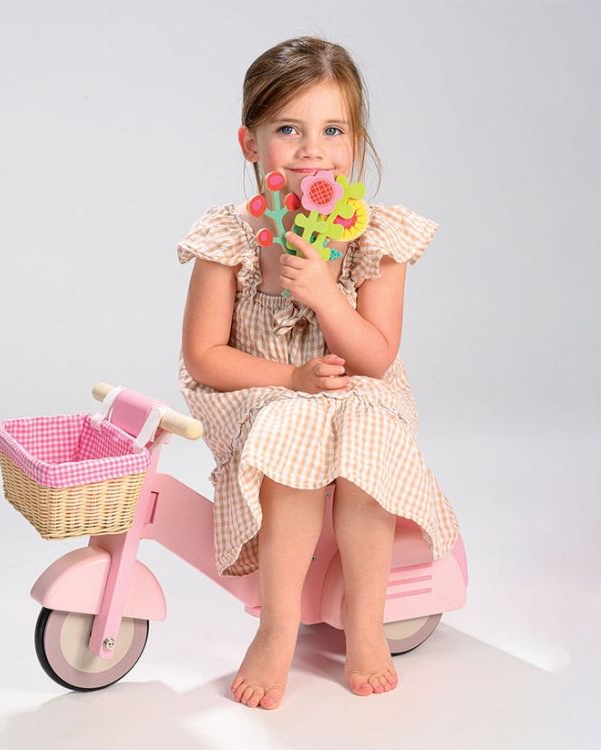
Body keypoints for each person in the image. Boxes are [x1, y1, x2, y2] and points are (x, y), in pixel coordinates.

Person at [176, 36, 461, 709]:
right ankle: (277, 628)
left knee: (368, 440)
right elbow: (205, 356)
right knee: (293, 437)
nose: (311, 150)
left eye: (332, 130)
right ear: (250, 145)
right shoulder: (230, 238)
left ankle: (366, 622)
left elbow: (375, 358)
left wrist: (328, 298)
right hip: (260, 389)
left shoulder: (375, 237)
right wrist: (290, 380)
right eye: (287, 130)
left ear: (354, 144)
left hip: (354, 384)